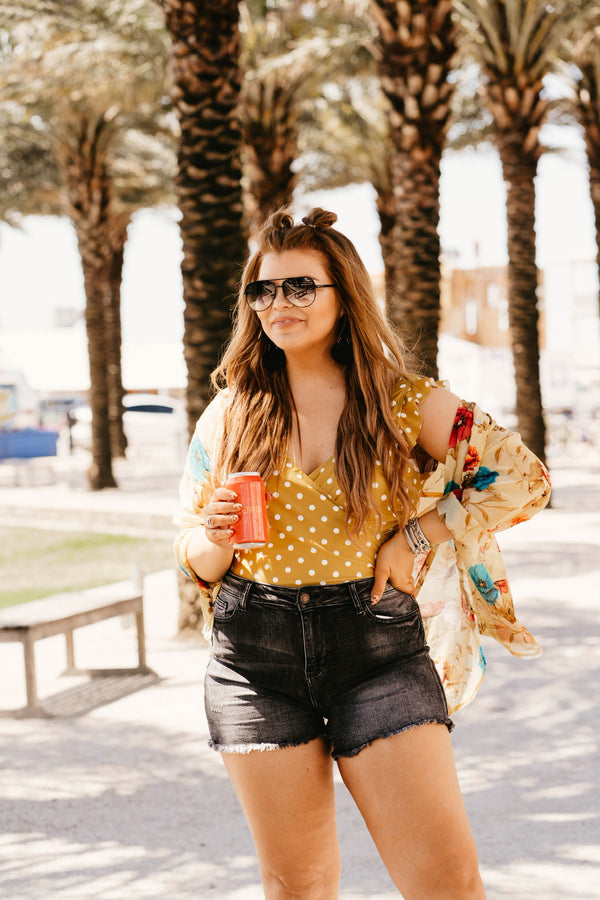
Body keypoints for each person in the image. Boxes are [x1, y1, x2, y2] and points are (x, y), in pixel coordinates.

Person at [174, 207, 551, 899]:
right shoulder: (230, 413)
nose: (277, 303)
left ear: (343, 294)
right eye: (263, 290)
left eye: (299, 287)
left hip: (375, 648)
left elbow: (522, 479)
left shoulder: (404, 402)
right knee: (297, 884)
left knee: (446, 881)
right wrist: (214, 536)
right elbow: (195, 562)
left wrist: (419, 534)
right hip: (253, 659)